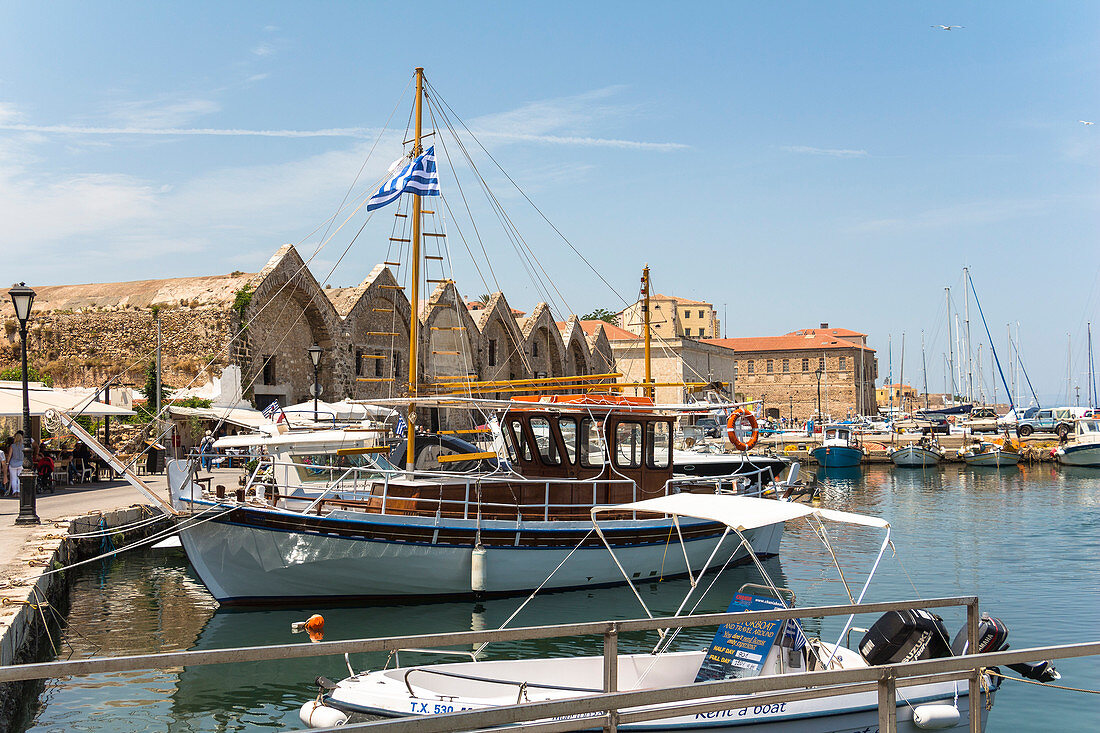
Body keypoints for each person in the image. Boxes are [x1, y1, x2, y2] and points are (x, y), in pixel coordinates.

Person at [6, 431, 24, 496]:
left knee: (13, 478)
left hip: (13, 463)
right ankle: (19, 491)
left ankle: (14, 491)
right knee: (19, 478)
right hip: (21, 463)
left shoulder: (12, 446)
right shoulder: (23, 446)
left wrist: (7, 463)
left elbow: (10, 455)